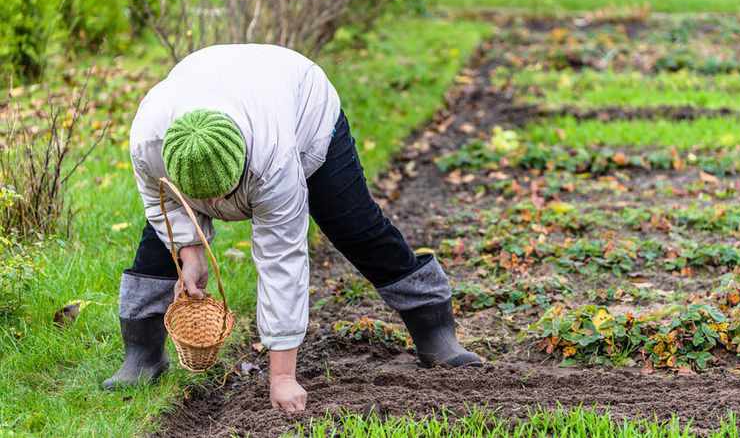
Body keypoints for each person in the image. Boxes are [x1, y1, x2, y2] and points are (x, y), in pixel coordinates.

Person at [102, 44, 482, 413]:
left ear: (244, 166)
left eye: (223, 195)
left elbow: (281, 258)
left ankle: (432, 324)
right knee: (159, 239)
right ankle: (143, 354)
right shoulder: (149, 140)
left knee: (354, 226)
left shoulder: (274, 156)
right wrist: (190, 251)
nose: (216, 208)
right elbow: (161, 201)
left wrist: (282, 375)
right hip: (217, 82)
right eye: (205, 199)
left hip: (301, 106)